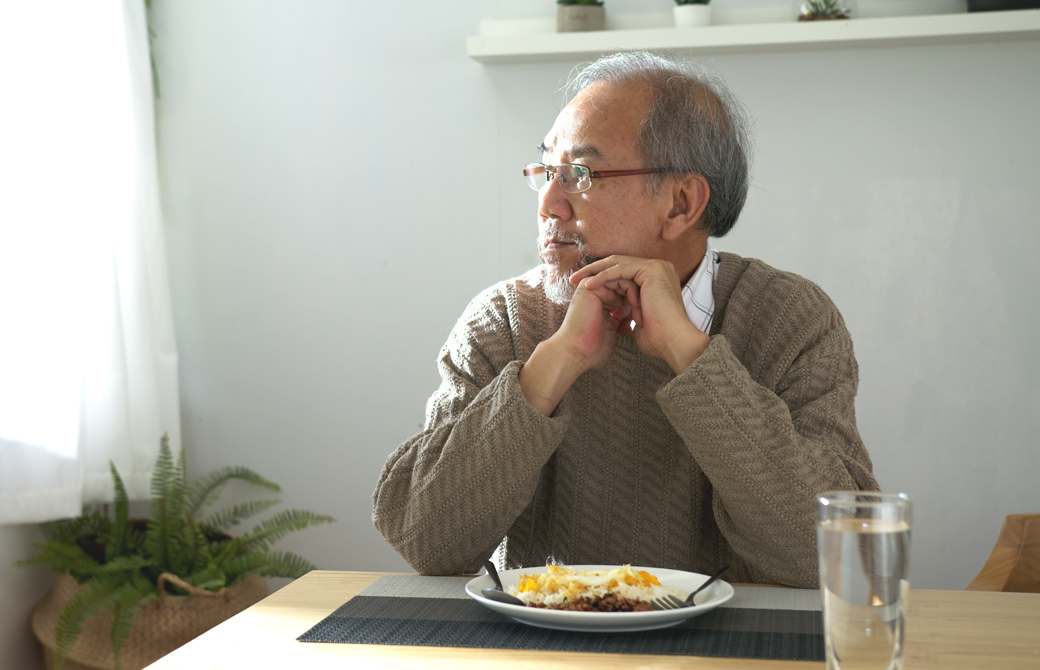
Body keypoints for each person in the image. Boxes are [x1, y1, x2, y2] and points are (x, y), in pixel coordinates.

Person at [372, 52, 878, 588]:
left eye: (580, 174)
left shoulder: (791, 320)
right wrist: (551, 368)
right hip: (542, 653)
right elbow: (423, 539)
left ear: (681, 203)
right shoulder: (501, 321)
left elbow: (837, 554)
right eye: (547, 170)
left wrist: (692, 357)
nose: (548, 203)